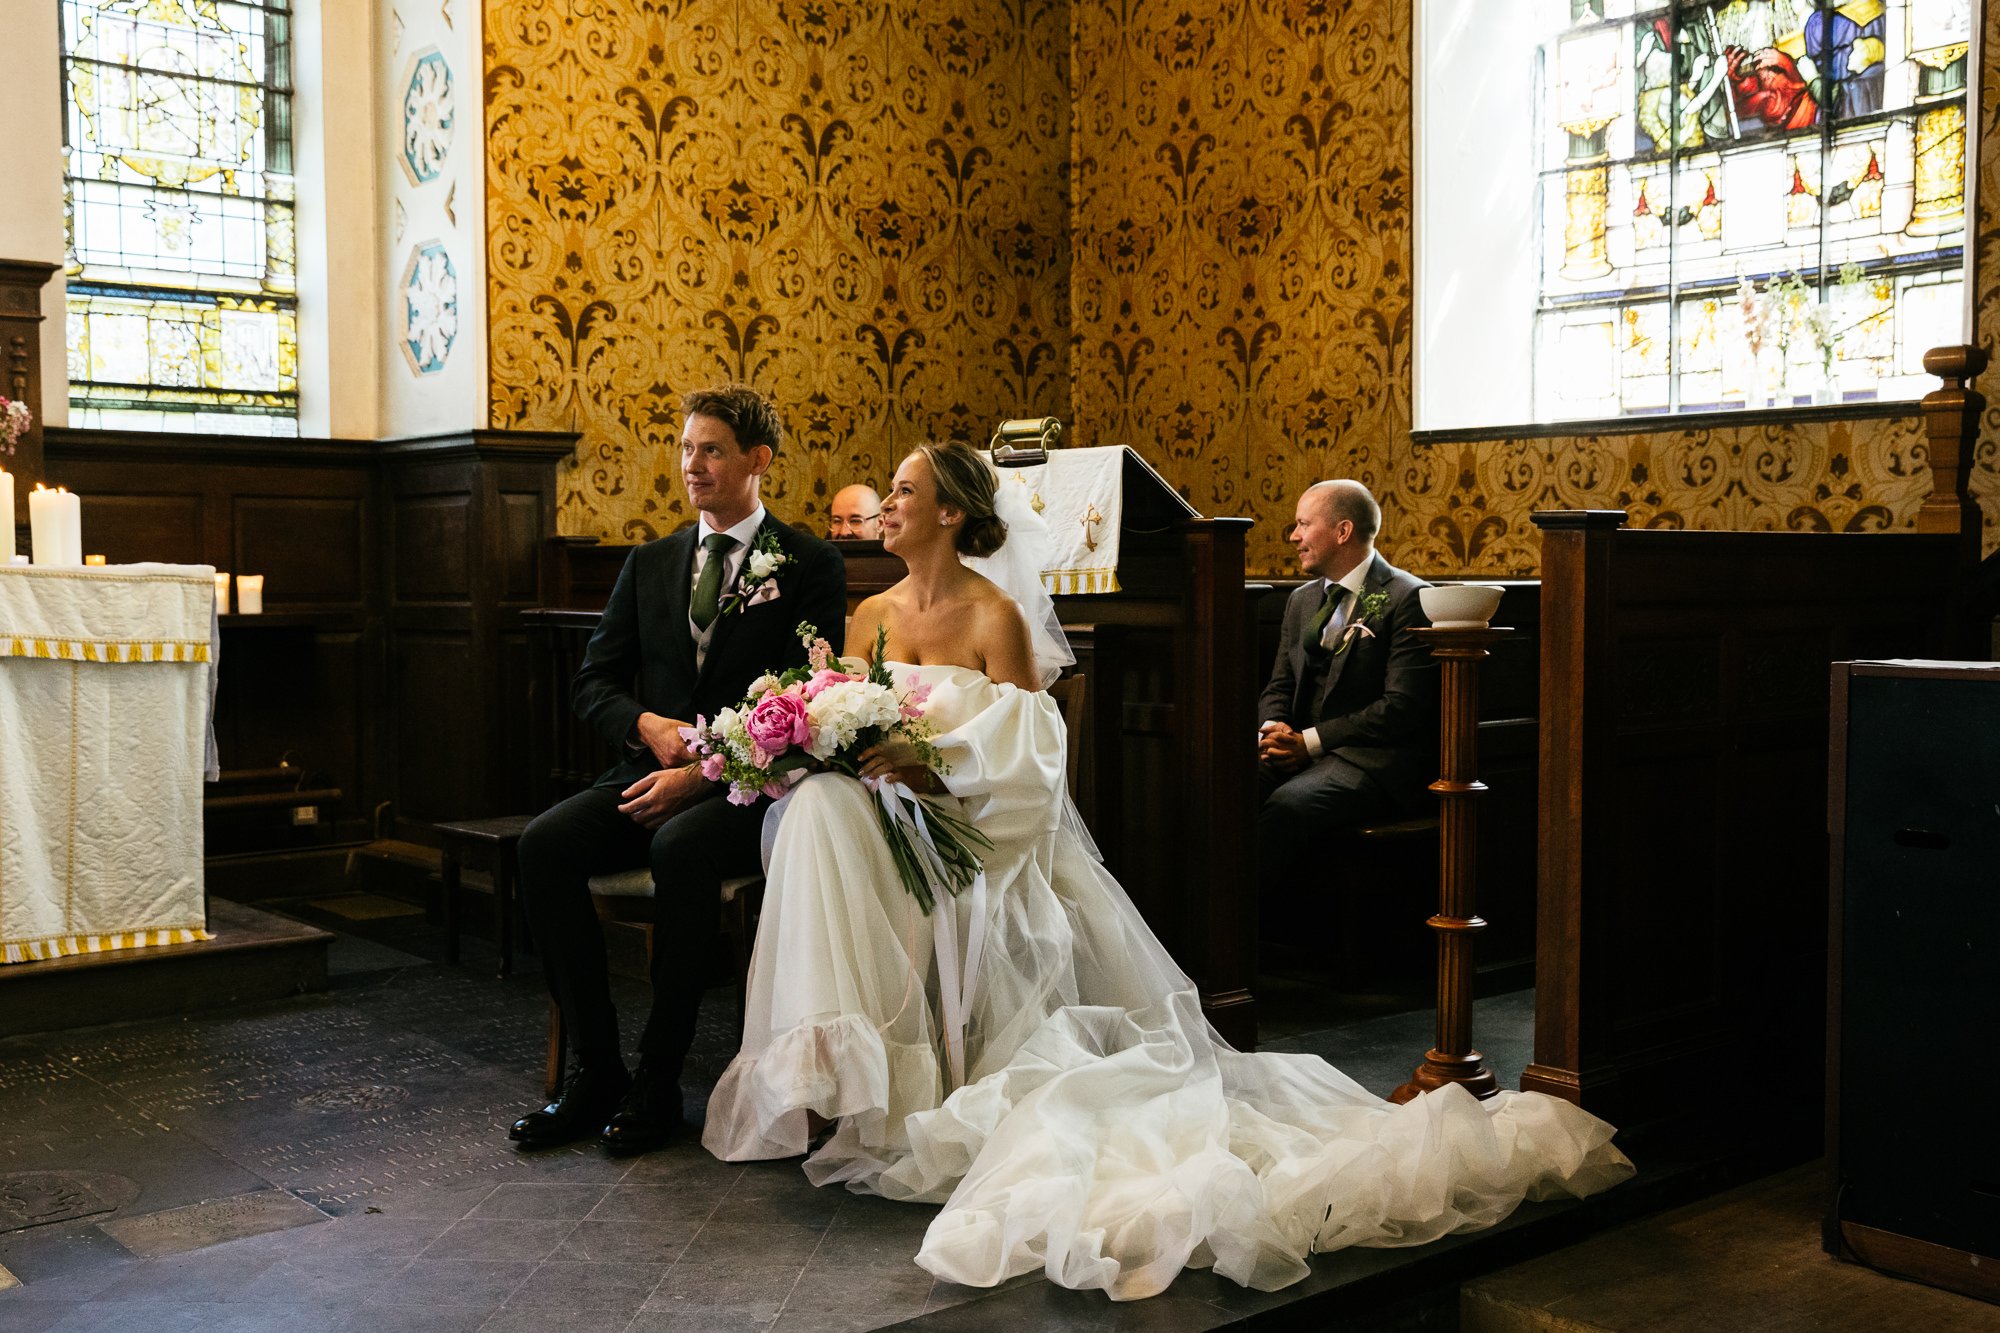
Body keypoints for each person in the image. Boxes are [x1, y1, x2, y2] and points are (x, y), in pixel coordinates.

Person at [701, 443, 1631, 1301]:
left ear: (951, 512)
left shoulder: (996, 616)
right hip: (884, 824)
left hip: (980, 835)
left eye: (904, 491)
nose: (885, 506)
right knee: (814, 808)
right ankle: (831, 1068)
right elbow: (845, 718)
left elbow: (1034, 760)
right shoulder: (867, 614)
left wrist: (932, 765)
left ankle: (893, 1069)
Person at [511, 385, 847, 1155]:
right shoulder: (652, 560)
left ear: (758, 460)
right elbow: (593, 679)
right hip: (646, 770)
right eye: (687, 448)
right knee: (545, 845)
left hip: (748, 793)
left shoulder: (808, 564)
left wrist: (704, 775)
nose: (692, 464)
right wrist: (645, 723)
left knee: (681, 848)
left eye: (712, 449)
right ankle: (596, 1071)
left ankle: (658, 1078)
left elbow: (811, 701)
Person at [1256, 481, 1436, 903]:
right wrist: (1274, 728)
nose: (1293, 536)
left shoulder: (1407, 597)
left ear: (1342, 531)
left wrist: (1310, 743)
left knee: (1288, 806)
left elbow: (1401, 707)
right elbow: (1280, 683)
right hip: (1300, 750)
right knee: (1222, 784)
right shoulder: (1301, 600)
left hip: (1372, 762)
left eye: (1303, 524)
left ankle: (1238, 934)